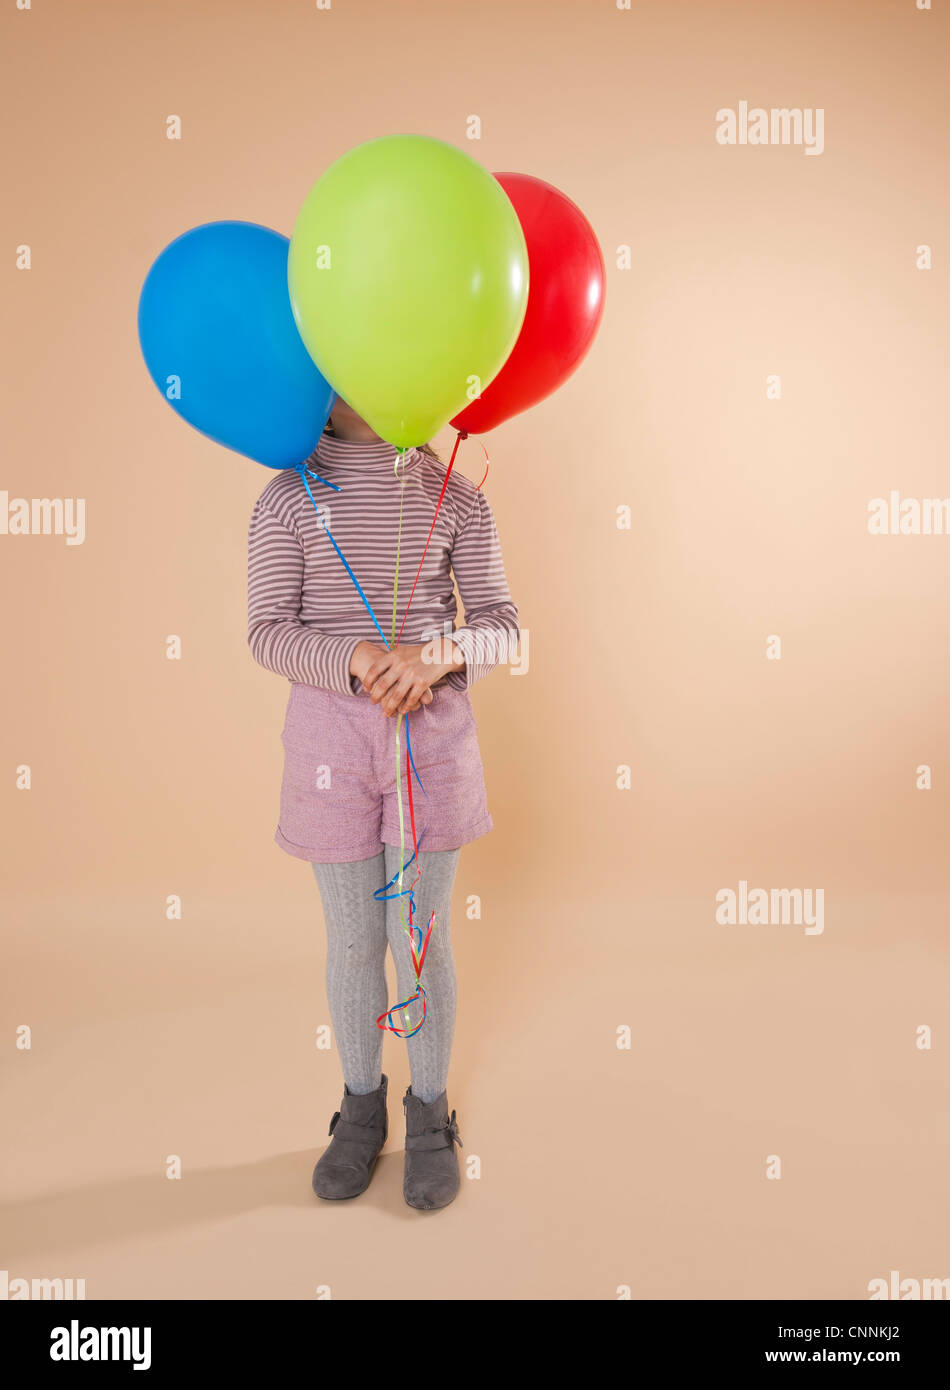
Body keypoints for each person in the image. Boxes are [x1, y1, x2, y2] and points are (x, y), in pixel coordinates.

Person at [246, 396, 519, 1210]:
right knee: (357, 942)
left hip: (432, 747)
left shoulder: (457, 495)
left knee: (421, 942)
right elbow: (266, 629)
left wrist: (436, 655)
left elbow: (505, 627)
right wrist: (358, 655)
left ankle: (430, 1113)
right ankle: (360, 1108)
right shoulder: (287, 496)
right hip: (329, 748)